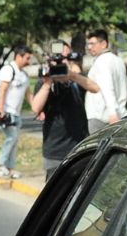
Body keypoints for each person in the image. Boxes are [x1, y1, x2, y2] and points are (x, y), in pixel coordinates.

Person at [31, 43, 99, 180]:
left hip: (80, 147)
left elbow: (95, 88)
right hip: (55, 151)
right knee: (56, 196)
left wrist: (72, 76)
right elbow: (35, 108)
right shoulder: (44, 82)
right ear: (49, 59)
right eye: (57, 58)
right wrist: (48, 82)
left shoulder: (76, 79)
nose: (60, 61)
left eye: (64, 57)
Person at [0, 44, 33, 179]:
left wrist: (37, 109)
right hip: (5, 111)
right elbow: (2, 90)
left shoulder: (24, 75)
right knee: (11, 137)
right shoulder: (8, 70)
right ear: (18, 56)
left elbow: (28, 94)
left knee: (14, 140)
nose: (29, 61)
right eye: (27, 58)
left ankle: (10, 168)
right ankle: (0, 166)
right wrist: (0, 110)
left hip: (16, 113)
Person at [83, 29, 127, 133]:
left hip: (103, 118)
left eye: (92, 44)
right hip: (121, 114)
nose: (89, 47)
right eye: (88, 44)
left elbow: (107, 88)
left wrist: (112, 113)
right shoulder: (118, 60)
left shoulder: (102, 62)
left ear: (103, 44)